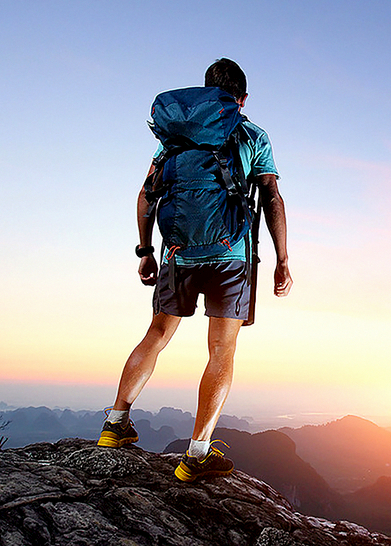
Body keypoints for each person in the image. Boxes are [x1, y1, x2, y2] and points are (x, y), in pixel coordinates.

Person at [97, 58, 292, 482]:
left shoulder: (173, 140)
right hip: (231, 257)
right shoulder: (252, 135)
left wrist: (145, 251)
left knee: (157, 334)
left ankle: (115, 423)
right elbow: (272, 198)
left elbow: (147, 197)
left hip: (177, 255)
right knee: (221, 350)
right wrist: (283, 260)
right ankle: (198, 453)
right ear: (242, 98)